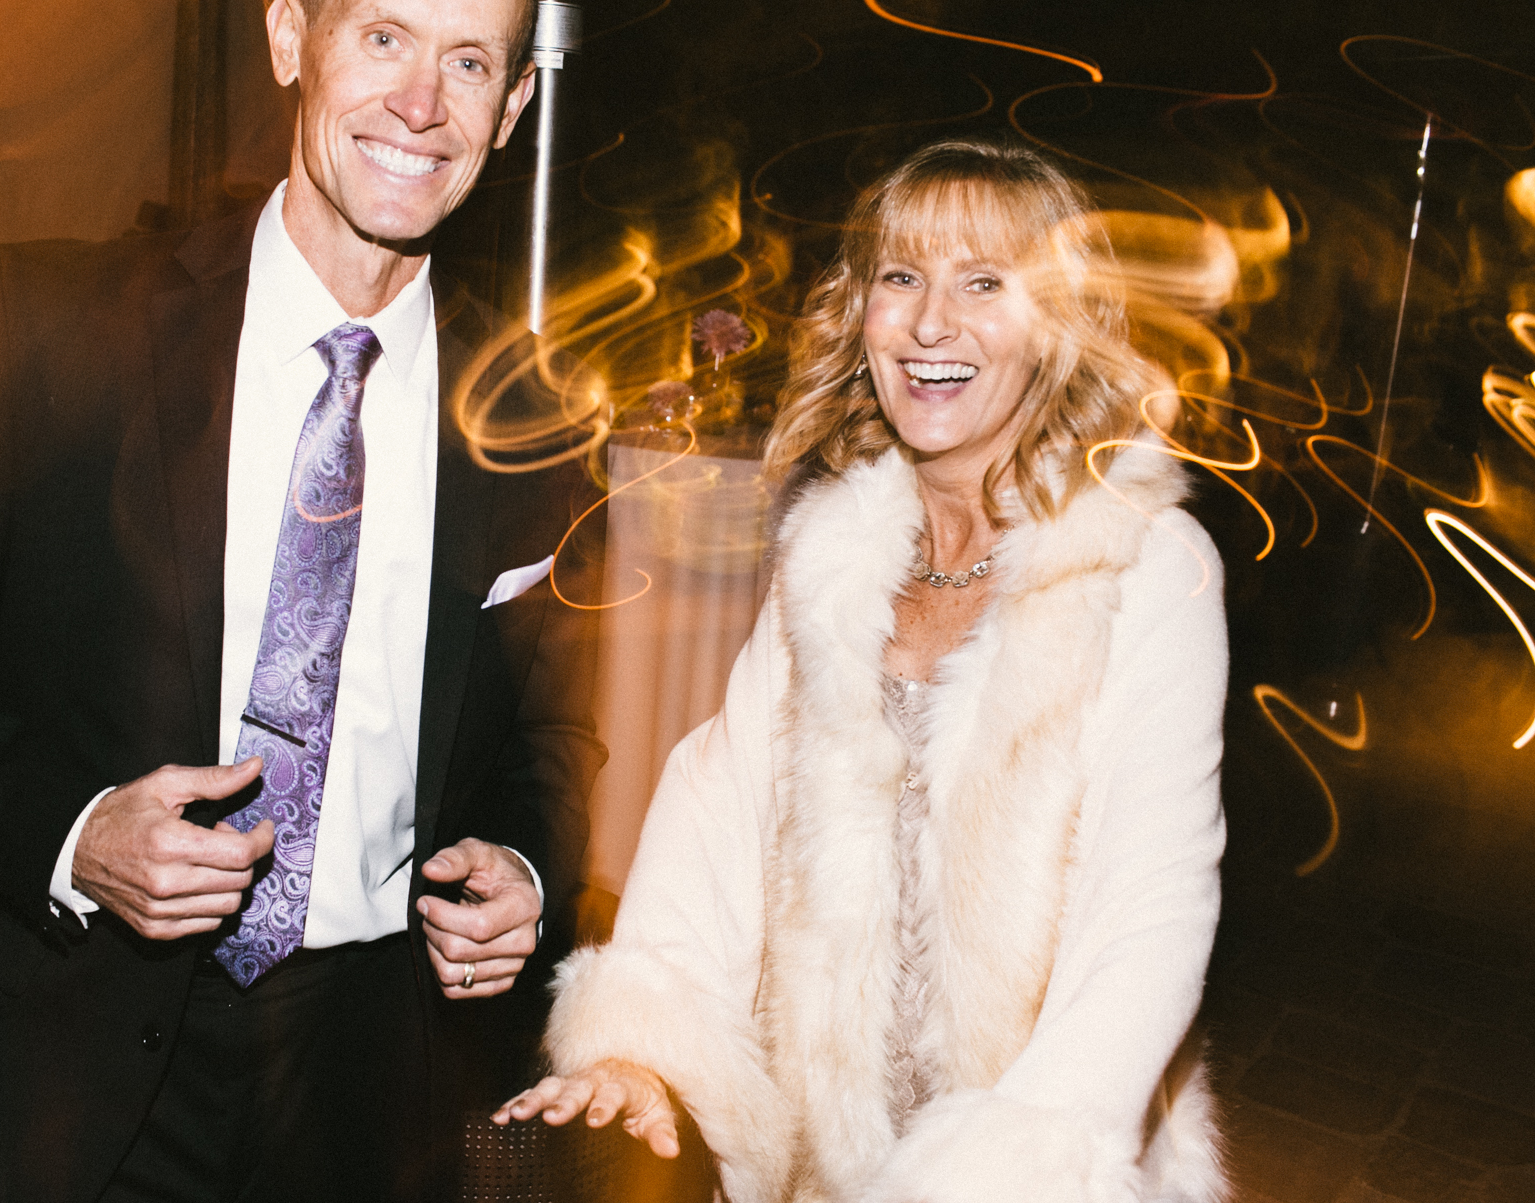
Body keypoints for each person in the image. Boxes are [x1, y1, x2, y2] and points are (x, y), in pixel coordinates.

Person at [0, 1, 607, 1200]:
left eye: (467, 61)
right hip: (66, 1054)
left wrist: (525, 872)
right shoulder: (56, 323)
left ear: (511, 107)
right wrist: (75, 833)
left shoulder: (539, 417)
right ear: (289, 38)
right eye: (383, 37)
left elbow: (548, 731)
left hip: (370, 1078)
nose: (420, 103)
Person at [495, 140, 1230, 1201]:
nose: (932, 323)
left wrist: (1006, 1166)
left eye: (985, 283)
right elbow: (721, 803)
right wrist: (641, 1049)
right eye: (903, 276)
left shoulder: (1143, 566)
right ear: (861, 313)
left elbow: (1151, 911)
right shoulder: (829, 556)